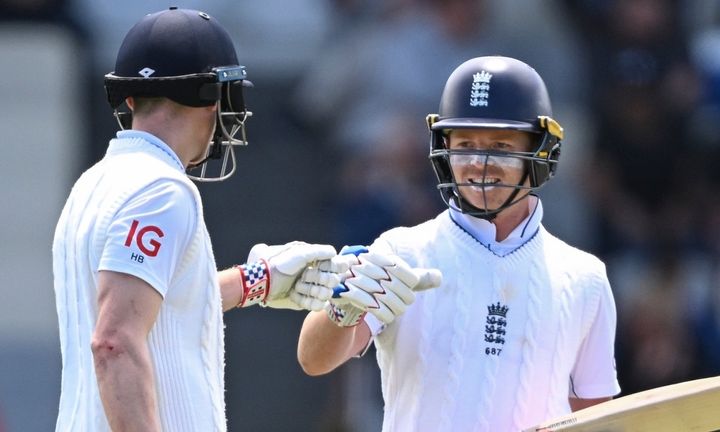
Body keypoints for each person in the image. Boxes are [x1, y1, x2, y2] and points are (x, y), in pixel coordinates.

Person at [52, 8, 346, 431]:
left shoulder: (94, 183)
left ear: (131, 97)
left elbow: (161, 302)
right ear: (211, 98)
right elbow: (114, 342)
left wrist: (255, 281)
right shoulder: (160, 190)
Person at [298, 56, 621, 431]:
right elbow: (314, 360)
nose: (479, 164)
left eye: (501, 146)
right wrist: (343, 309)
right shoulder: (403, 252)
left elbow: (597, 417)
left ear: (542, 151)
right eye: (465, 144)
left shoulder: (585, 277)